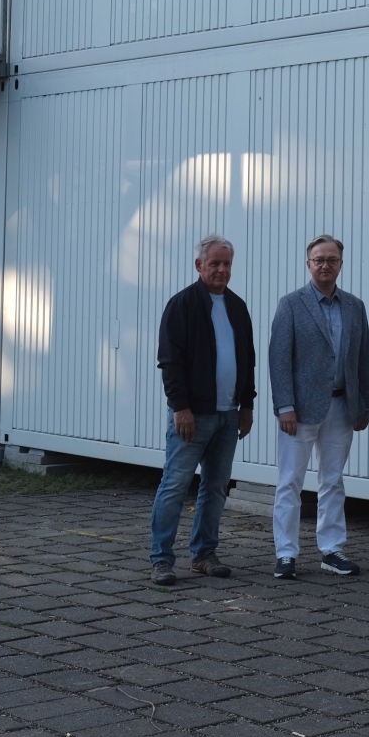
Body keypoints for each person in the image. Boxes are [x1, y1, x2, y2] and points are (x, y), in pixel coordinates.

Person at [149, 234, 256, 586]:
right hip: (193, 416)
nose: (222, 270)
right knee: (175, 485)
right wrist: (181, 408)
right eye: (215, 263)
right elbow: (170, 362)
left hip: (228, 416)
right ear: (199, 266)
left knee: (216, 487)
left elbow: (248, 360)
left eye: (227, 264)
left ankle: (204, 555)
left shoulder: (237, 307)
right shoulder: (182, 305)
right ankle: (161, 559)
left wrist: (247, 405)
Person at [267, 235, 369, 580]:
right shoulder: (291, 304)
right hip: (299, 411)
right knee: (290, 482)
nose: (325, 265)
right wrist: (284, 405)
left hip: (343, 406)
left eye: (332, 259)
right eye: (318, 259)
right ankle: (286, 554)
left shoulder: (354, 306)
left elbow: (363, 359)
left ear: (341, 264)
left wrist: (365, 403)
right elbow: (278, 359)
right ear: (308, 263)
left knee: (333, 480)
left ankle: (331, 550)